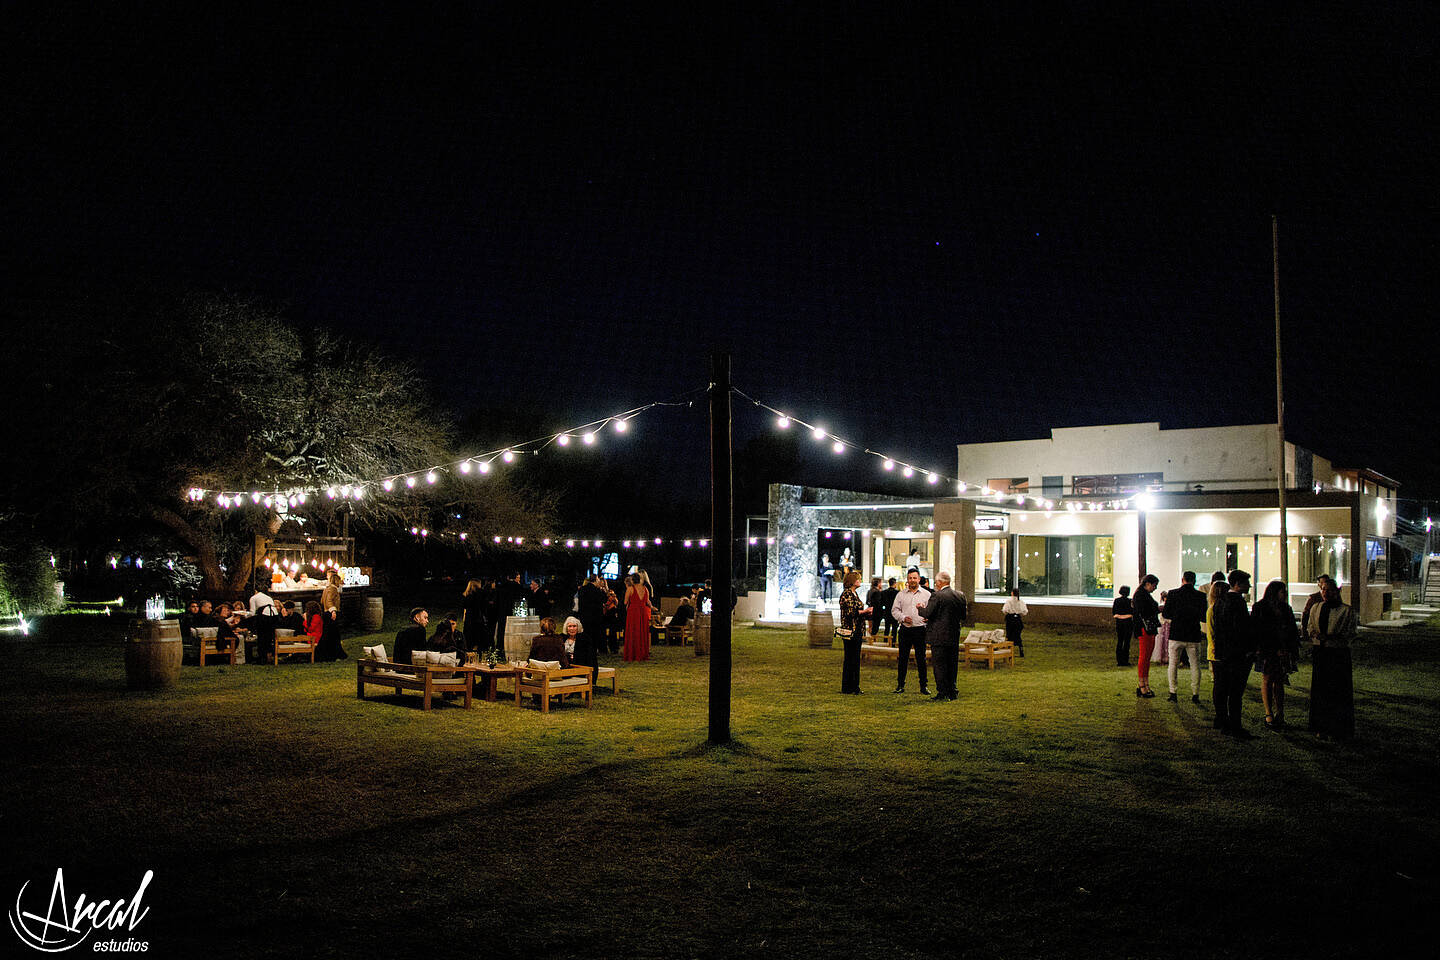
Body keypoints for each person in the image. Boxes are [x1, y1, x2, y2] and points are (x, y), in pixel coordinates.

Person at [1306, 578, 1357, 739]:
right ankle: (1320, 726)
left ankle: (1338, 728)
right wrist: (1316, 635)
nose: (1325, 593)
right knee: (1320, 691)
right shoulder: (1316, 607)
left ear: (1336, 591)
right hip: (1321, 652)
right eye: (1323, 589)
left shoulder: (1346, 611)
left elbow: (1350, 632)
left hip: (1338, 654)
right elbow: (1310, 627)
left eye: (1329, 590)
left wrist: (1331, 637)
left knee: (1338, 691)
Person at [1211, 570, 1256, 738]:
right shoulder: (1237, 602)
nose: (1249, 586)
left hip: (1222, 652)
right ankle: (1235, 725)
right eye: (1246, 583)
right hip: (1236, 653)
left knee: (1222, 689)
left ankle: (1223, 721)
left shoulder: (1220, 601)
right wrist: (1247, 649)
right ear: (1237, 584)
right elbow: (1240, 629)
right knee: (1236, 692)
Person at [1252, 580, 1300, 730]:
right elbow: (1259, 630)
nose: (1285, 594)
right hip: (1267, 650)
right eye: (1282, 592)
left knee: (1279, 680)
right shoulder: (1261, 607)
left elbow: (1292, 629)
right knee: (1267, 679)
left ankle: (1280, 712)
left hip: (1282, 648)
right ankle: (1269, 712)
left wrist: (1290, 648)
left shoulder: (1285, 608)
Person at [918, 571, 966, 701]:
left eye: (936, 582)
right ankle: (952, 690)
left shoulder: (937, 595)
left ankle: (942, 692)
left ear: (939, 582)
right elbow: (963, 616)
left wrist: (920, 608)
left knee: (939, 665)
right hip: (953, 635)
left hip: (939, 636)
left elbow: (927, 613)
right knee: (952, 664)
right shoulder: (960, 595)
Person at [1162, 571, 1207, 705]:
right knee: (1195, 665)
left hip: (1176, 634)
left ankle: (1173, 692)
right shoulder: (1200, 596)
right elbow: (1203, 617)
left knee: (1173, 664)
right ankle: (1195, 693)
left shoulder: (1173, 593)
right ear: (1194, 581)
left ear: (1183, 580)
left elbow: (1166, 614)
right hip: (1193, 634)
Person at [890, 569, 931, 695]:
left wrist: (928, 618)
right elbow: (894, 610)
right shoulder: (901, 595)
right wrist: (903, 618)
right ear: (907, 580)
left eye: (914, 578)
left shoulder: (926, 595)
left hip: (920, 630)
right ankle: (900, 685)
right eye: (910, 578)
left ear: (919, 579)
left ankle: (923, 686)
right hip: (905, 630)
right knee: (903, 658)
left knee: (921, 659)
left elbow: (931, 610)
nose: (912, 580)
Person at [837, 570, 871, 694]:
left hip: (857, 629)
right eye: (858, 579)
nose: (860, 581)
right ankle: (848, 686)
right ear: (852, 581)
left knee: (855, 659)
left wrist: (866, 613)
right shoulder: (846, 594)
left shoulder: (854, 594)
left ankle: (854, 685)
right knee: (850, 658)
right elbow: (850, 612)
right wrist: (864, 611)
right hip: (850, 630)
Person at [1132, 575, 1161, 697]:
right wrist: (1158, 609)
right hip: (1145, 629)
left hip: (1147, 629)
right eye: (1154, 585)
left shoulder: (1142, 594)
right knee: (1144, 657)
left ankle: (1144, 683)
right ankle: (1142, 684)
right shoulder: (1141, 595)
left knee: (1146, 657)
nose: (1155, 588)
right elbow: (1144, 611)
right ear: (1147, 584)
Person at [623, 574, 652, 662]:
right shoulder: (645, 589)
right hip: (643, 611)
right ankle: (642, 653)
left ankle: (632, 654)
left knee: (633, 631)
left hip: (633, 612)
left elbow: (625, 602)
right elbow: (647, 601)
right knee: (642, 631)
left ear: (632, 580)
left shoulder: (630, 589)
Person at [565, 615, 598, 684]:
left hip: (580, 665)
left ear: (578, 628)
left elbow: (590, 657)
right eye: (570, 626)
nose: (572, 629)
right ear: (566, 628)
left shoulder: (585, 639)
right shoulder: (562, 638)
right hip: (565, 665)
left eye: (574, 626)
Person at [462, 579, 488, 652]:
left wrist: (464, 617)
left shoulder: (466, 595)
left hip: (469, 618)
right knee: (477, 637)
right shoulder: (479, 595)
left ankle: (469, 650)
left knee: (468, 637)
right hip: (477, 618)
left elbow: (465, 608)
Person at [1001, 588, 1027, 657]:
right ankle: (1021, 650)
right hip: (1018, 620)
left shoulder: (1009, 601)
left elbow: (1005, 610)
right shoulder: (1021, 601)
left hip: (1010, 619)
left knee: (1009, 635)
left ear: (1012, 593)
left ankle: (1008, 651)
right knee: (1017, 635)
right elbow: (1025, 612)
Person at [1112, 586, 1134, 666]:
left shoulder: (1117, 600)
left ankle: (1119, 660)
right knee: (1127, 642)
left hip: (1119, 622)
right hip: (1128, 622)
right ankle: (1125, 660)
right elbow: (1133, 611)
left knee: (1120, 641)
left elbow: (1114, 611)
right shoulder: (1130, 601)